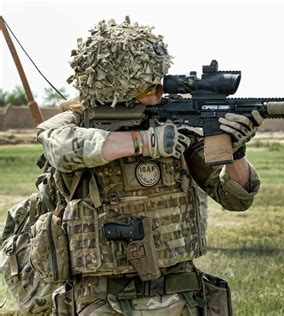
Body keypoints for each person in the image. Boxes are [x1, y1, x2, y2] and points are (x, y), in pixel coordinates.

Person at [33, 17, 262, 315]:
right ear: (118, 85)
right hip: (102, 300)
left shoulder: (176, 129)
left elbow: (235, 198)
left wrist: (236, 150)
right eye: (147, 86)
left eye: (160, 83)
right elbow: (60, 147)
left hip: (183, 297)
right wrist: (144, 142)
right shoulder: (75, 123)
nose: (159, 92)